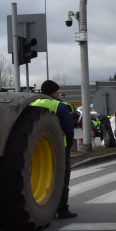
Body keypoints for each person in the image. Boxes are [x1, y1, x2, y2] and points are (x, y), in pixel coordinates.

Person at [33, 80, 77, 219]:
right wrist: (69, 144)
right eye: (57, 91)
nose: (59, 93)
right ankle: (62, 209)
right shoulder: (58, 106)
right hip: (58, 148)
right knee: (62, 178)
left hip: (37, 150)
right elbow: (68, 128)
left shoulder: (33, 104)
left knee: (43, 179)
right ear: (52, 92)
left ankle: (46, 206)